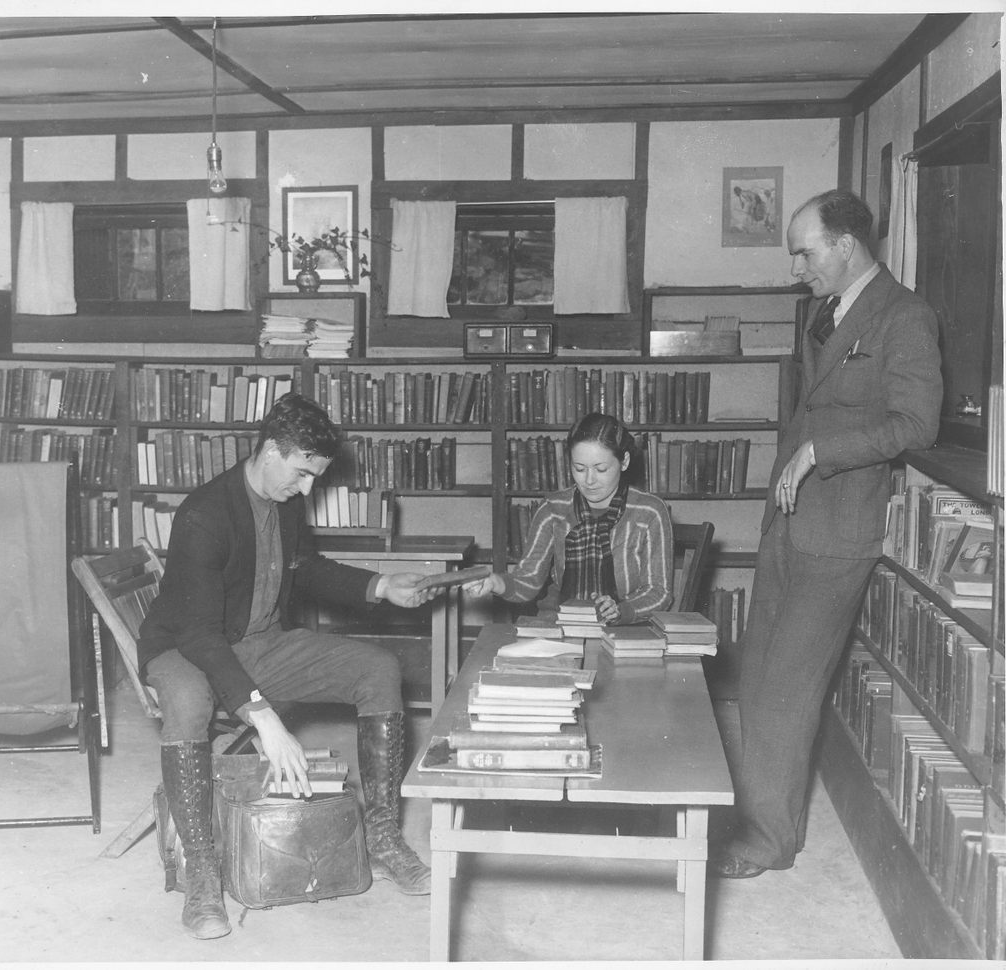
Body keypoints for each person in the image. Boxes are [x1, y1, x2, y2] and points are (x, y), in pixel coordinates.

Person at [137, 392, 438, 939]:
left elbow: (306, 568)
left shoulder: (288, 499)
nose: (306, 490)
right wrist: (263, 716)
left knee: (377, 669)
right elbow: (201, 632)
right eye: (301, 474)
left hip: (259, 642)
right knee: (187, 700)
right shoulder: (203, 515)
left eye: (314, 479)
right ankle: (203, 870)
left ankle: (385, 837)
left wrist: (379, 585)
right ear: (270, 449)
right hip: (184, 646)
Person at [711, 189, 942, 879]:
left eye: (804, 253)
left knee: (786, 690)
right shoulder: (823, 312)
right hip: (788, 522)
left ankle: (770, 841)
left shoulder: (906, 316)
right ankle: (758, 815)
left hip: (840, 532)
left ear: (846, 246)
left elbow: (915, 425)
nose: (796, 269)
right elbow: (811, 409)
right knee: (756, 681)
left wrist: (822, 452)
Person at [464, 412, 673, 625]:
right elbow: (527, 580)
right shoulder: (553, 510)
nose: (589, 480)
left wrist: (622, 610)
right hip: (560, 623)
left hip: (628, 628)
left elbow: (659, 592)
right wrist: (495, 582)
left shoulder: (649, 511)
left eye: (601, 469)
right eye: (579, 469)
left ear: (624, 461)